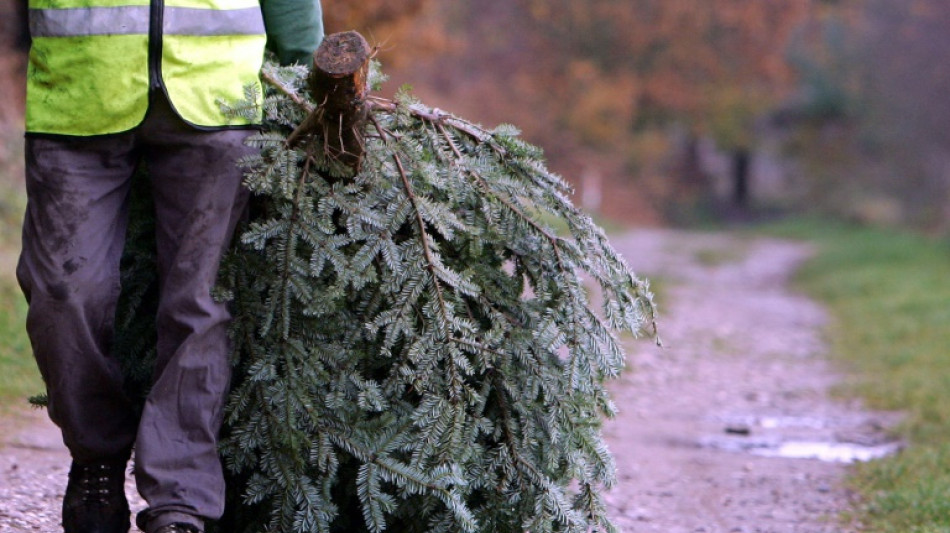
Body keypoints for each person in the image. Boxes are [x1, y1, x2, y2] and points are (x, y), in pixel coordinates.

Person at [16, 0, 323, 531]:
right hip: (77, 98)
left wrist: (312, 81)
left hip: (216, 100)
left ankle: (182, 499)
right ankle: (95, 458)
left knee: (197, 302)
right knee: (63, 296)